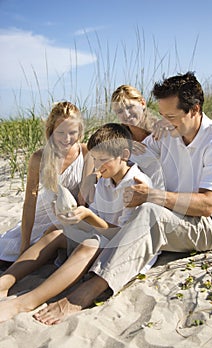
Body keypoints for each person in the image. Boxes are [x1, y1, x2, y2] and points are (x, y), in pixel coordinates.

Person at [33, 71, 212, 325]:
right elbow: (124, 155)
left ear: (194, 109)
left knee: (150, 211)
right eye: (161, 115)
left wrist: (153, 195)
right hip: (176, 217)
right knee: (132, 212)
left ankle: (90, 289)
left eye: (171, 116)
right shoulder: (168, 132)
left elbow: (208, 204)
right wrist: (94, 172)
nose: (165, 122)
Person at [0, 123, 154, 323]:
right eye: (95, 159)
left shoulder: (137, 184)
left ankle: (25, 302)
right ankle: (5, 281)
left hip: (119, 247)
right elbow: (97, 217)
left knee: (90, 244)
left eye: (103, 160)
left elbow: (124, 235)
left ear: (124, 155)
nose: (97, 166)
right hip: (101, 235)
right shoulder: (105, 180)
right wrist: (73, 220)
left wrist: (87, 216)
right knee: (55, 232)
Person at [0, 101, 94, 264]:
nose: (66, 139)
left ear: (80, 131)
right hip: (43, 215)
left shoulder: (86, 152)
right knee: (11, 252)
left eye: (72, 132)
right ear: (51, 132)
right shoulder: (39, 158)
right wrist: (24, 245)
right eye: (60, 132)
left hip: (71, 214)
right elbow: (30, 202)